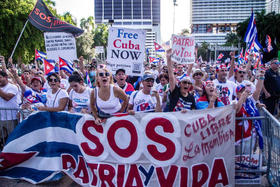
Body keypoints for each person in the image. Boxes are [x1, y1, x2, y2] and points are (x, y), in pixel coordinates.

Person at [0, 70, 20, 137]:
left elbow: (7, 98)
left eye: (0, 77)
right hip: (1, 118)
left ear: (5, 77)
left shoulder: (13, 87)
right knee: (2, 140)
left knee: (12, 138)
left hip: (11, 118)